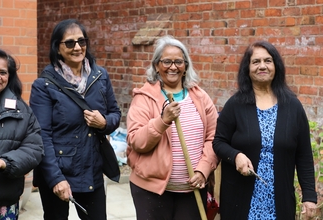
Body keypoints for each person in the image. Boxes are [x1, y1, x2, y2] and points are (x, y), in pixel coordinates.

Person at [213, 41, 317, 219]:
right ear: (248, 68)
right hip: (239, 200)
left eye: (268, 61)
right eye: (256, 62)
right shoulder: (235, 105)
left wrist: (309, 197)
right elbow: (219, 142)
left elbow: (304, 155)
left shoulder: (293, 106)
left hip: (279, 201)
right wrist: (236, 155)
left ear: (276, 66)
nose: (262, 66)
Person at [29, 19, 121, 220]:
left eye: (82, 41)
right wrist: (56, 179)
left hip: (91, 169)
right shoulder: (44, 85)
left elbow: (115, 113)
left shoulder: (100, 76)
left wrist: (104, 122)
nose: (77, 47)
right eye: (70, 43)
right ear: (57, 47)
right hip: (58, 172)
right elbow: (41, 137)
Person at [126, 35, 219, 219]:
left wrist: (203, 170)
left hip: (191, 192)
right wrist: (163, 121)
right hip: (151, 191)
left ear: (185, 66)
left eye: (178, 61)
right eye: (167, 61)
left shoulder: (200, 98)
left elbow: (214, 138)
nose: (173, 67)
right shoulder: (144, 98)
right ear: (156, 66)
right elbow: (136, 141)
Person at [0, 46, 44, 219]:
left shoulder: (21, 110)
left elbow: (34, 149)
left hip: (3, 200)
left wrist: (4, 162)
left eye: (3, 72)